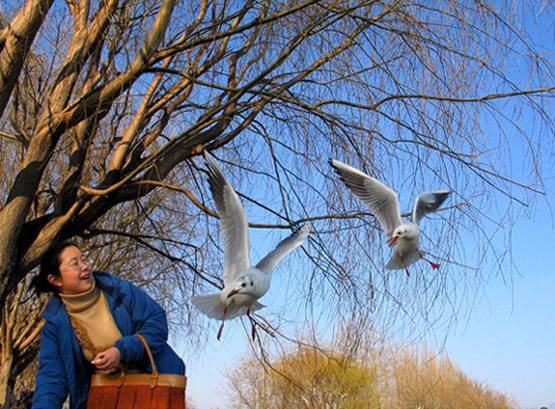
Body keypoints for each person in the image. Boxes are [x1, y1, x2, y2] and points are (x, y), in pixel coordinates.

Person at [31, 241, 185, 409]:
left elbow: (157, 324)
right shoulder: (54, 326)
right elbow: (51, 379)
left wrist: (121, 351)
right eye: (75, 264)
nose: (84, 266)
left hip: (154, 392)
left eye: (84, 259)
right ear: (55, 280)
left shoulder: (120, 290)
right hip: (105, 399)